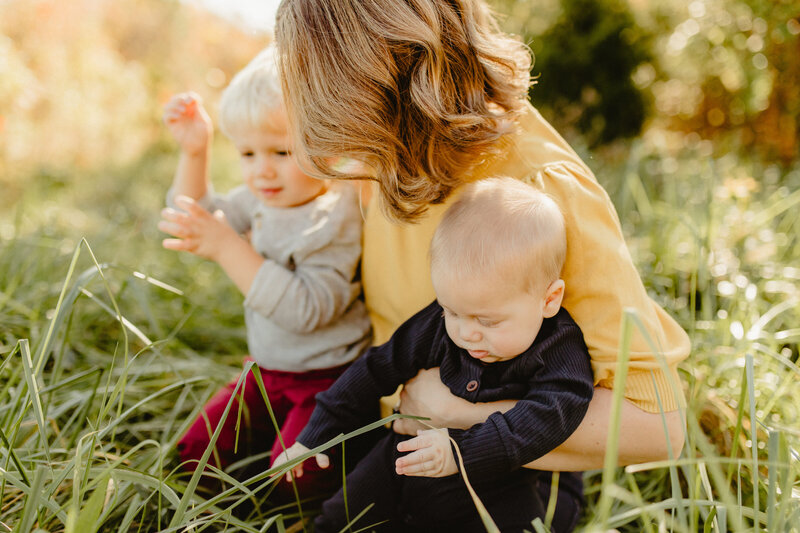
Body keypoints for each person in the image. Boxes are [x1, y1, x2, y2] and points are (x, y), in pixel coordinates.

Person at [274, 0, 690, 530]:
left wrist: (457, 416)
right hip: (398, 453)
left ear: (383, 82)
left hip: (509, 478)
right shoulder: (379, 161)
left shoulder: (538, 191)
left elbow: (660, 428)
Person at [274, 178, 595, 532]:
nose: (465, 332)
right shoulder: (442, 322)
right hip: (405, 453)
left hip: (501, 478)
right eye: (452, 312)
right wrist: (315, 434)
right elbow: (377, 367)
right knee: (340, 517)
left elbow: (550, 416)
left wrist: (461, 452)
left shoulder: (559, 350)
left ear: (548, 300)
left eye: (487, 321)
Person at [158, 48, 372, 494]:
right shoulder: (259, 200)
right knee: (194, 454)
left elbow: (307, 309)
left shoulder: (334, 216)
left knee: (294, 476)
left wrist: (228, 247)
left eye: (281, 151)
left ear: (326, 144)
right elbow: (193, 215)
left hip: (328, 376)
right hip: (266, 368)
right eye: (248, 153)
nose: (262, 172)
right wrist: (195, 151)